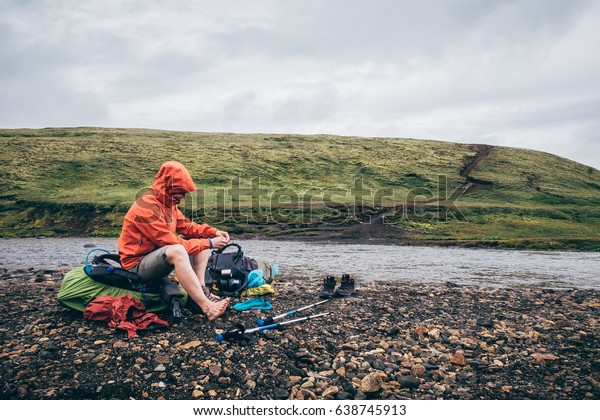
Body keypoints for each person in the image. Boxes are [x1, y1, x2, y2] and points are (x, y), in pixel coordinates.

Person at [117, 160, 230, 321]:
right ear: (167, 187)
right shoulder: (146, 207)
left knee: (199, 238)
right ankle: (208, 307)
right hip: (136, 265)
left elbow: (187, 228)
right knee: (178, 251)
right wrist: (211, 243)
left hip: (154, 258)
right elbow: (171, 243)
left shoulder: (168, 204)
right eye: (181, 193)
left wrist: (213, 232)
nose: (183, 198)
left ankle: (200, 291)